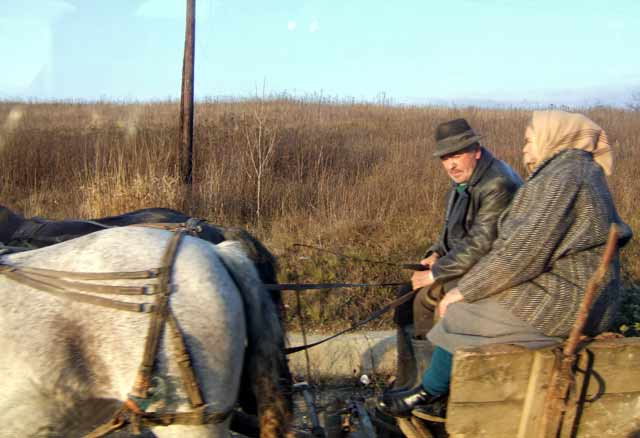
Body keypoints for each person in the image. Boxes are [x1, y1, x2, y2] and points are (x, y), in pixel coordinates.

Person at [379, 110, 633, 422]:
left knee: (458, 312)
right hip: (567, 290)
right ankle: (429, 382)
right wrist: (436, 256)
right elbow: (466, 236)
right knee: (438, 300)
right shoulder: (570, 171)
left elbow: (518, 254)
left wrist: (463, 291)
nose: (524, 148)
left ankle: (431, 392)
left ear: (552, 138)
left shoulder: (561, 179)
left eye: (529, 140)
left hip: (565, 300)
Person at [393, 118, 522, 390]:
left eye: (457, 155)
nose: (450, 165)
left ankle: (431, 390)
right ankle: (409, 379)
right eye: (445, 158)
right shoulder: (466, 178)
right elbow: (451, 229)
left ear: (476, 150)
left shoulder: (497, 183)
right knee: (404, 296)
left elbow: (481, 243)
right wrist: (434, 253)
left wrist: (435, 275)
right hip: (467, 264)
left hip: (493, 272)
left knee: (426, 300)